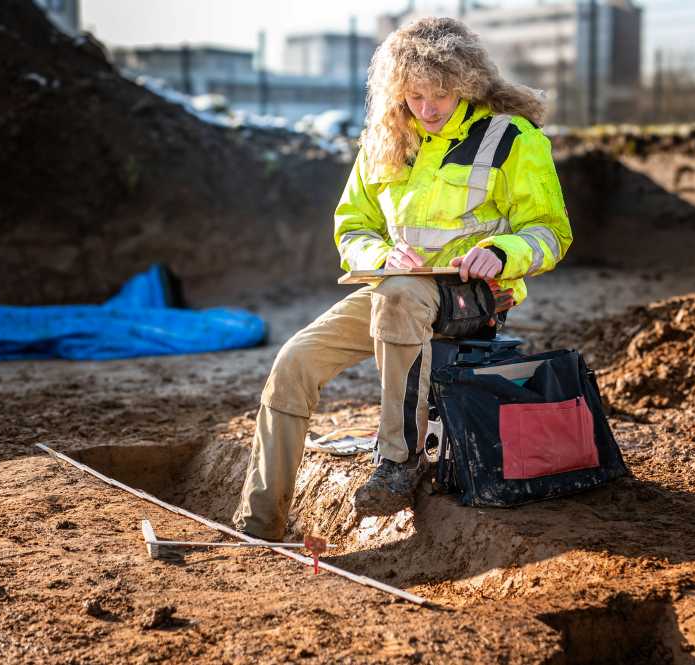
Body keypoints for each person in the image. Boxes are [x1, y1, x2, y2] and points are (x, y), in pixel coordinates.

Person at [232, 17, 572, 540]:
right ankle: (258, 523)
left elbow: (551, 232)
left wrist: (503, 252)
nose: (429, 107)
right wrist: (382, 254)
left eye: (441, 94)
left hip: (474, 296)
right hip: (394, 289)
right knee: (294, 362)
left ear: (467, 85)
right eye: (415, 95)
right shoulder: (385, 139)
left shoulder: (511, 139)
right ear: (398, 92)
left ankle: (398, 460)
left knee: (398, 297)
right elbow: (353, 225)